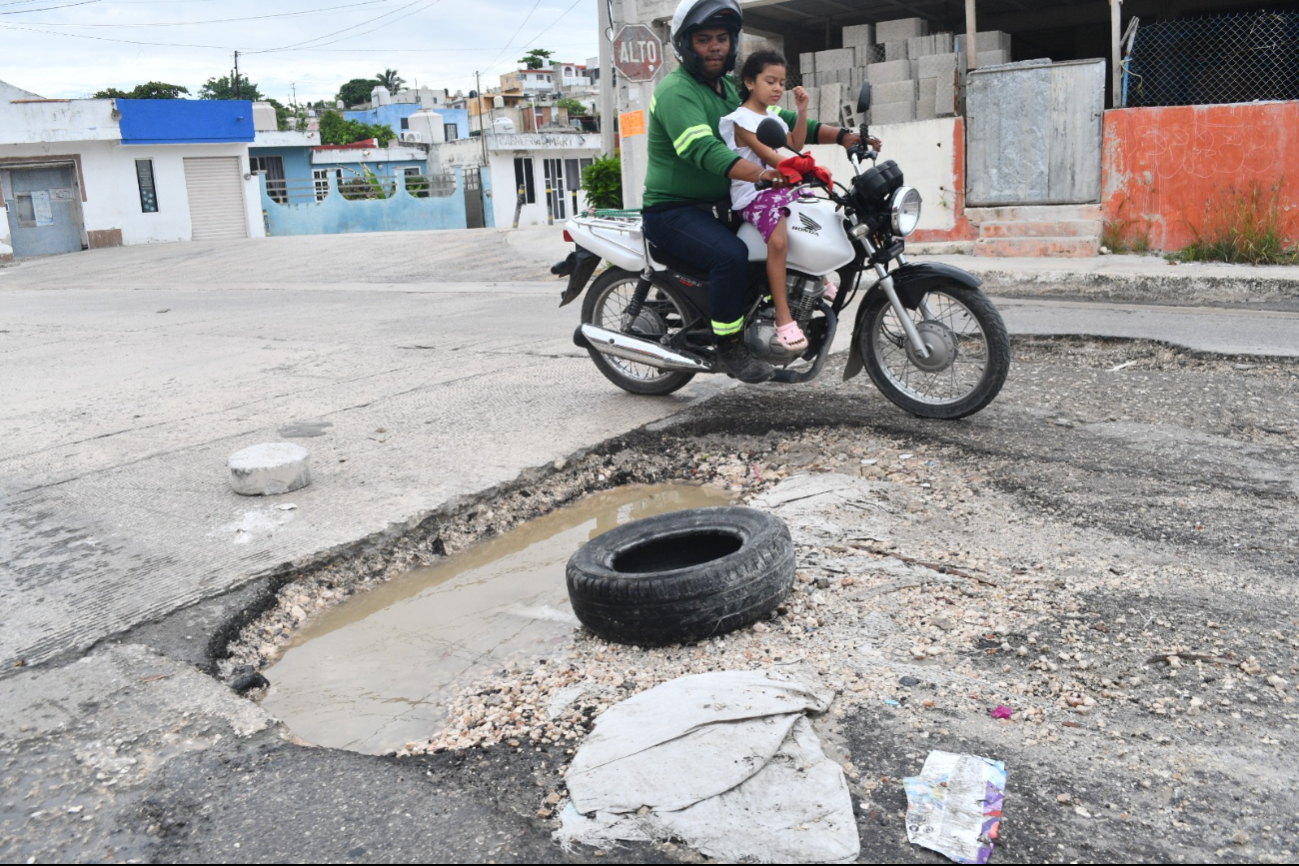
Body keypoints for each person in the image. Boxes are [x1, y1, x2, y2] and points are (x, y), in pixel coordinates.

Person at [642, 0, 877, 382]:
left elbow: (779, 121)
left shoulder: (730, 90)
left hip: (722, 205)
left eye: (722, 38)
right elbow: (703, 150)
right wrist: (764, 174)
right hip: (674, 210)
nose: (715, 46)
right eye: (704, 39)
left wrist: (845, 137)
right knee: (731, 257)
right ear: (685, 44)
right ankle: (729, 346)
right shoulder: (676, 92)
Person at [720, 48, 821, 351]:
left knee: (817, 214)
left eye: (781, 82)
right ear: (750, 82)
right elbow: (770, 156)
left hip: (778, 188)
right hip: (753, 192)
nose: (777, 88)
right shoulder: (741, 120)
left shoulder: (772, 116)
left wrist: (802, 111)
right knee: (778, 241)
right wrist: (802, 168)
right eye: (770, 81)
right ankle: (783, 316)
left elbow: (795, 144)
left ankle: (815, 278)